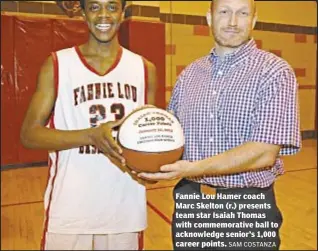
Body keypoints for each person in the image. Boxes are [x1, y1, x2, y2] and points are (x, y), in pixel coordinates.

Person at [138, 0, 301, 249]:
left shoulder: (275, 71)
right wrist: (146, 157)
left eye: (242, 13)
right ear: (209, 17)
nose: (233, 22)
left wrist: (191, 169)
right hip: (192, 201)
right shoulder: (189, 75)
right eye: (224, 12)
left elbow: (263, 153)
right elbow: (172, 140)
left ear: (254, 20)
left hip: (247, 208)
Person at [20, 0, 157, 249]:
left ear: (123, 13)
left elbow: (146, 138)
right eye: (94, 7)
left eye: (112, 7)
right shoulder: (58, 64)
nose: (103, 14)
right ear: (82, 13)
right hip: (70, 208)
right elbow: (29, 134)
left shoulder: (145, 69)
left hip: (124, 209)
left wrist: (149, 166)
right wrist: (92, 136)